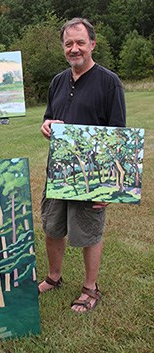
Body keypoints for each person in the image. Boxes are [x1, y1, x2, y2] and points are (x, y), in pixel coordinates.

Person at [38, 17, 126, 313]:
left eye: (80, 43)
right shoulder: (57, 82)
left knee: (88, 230)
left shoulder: (109, 82)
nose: (74, 49)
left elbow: (118, 135)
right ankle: (54, 277)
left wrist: (108, 188)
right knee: (52, 226)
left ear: (92, 44)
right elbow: (48, 117)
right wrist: (46, 125)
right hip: (58, 171)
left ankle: (90, 287)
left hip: (91, 175)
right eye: (68, 44)